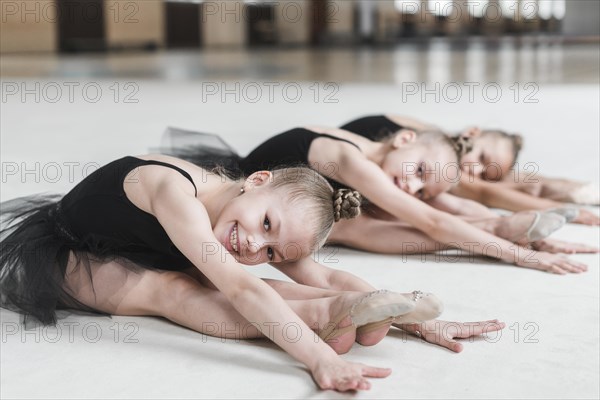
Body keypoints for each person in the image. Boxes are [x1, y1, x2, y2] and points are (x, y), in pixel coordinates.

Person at [2, 153, 464, 392]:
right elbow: (241, 288)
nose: (255, 245)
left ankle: (347, 311)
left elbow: (321, 275)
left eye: (272, 251)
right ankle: (324, 320)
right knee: (178, 289)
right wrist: (320, 358)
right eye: (266, 226)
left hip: (145, 246)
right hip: (72, 254)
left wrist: (416, 320)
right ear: (257, 181)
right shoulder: (173, 191)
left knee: (245, 275)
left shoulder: (251, 216)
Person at [161, 127, 594, 273]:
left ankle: (504, 226)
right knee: (361, 224)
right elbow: (433, 223)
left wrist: (521, 229)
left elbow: (446, 209)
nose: (413, 187)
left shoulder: (384, 160)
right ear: (404, 140)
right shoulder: (353, 160)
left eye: (422, 186)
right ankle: (501, 231)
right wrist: (517, 254)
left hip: (298, 205)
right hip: (266, 201)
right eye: (419, 172)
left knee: (388, 214)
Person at [340, 115, 600, 226]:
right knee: (472, 189)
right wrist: (560, 212)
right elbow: (486, 193)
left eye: (485, 171)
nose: (475, 169)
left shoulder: (440, 148)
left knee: (489, 183)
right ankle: (570, 192)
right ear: (472, 133)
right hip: (361, 142)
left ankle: (567, 187)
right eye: (482, 156)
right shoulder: (431, 147)